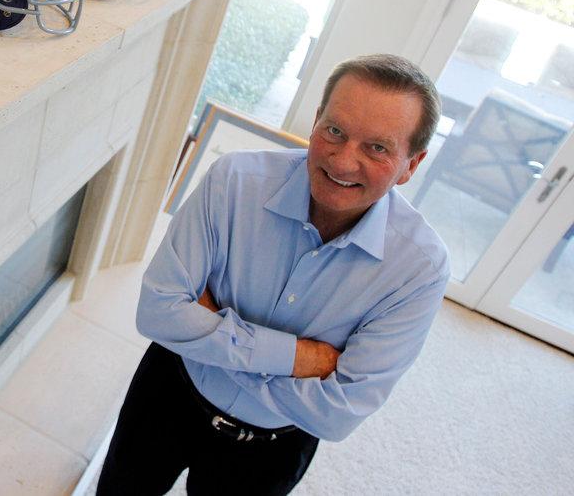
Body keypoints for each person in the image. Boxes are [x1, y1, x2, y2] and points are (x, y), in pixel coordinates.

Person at [97, 54, 449, 495]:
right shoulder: (233, 181)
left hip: (273, 448)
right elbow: (156, 312)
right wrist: (299, 360)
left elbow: (337, 413)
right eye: (335, 131)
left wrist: (208, 333)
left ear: (411, 165)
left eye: (377, 148)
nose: (342, 162)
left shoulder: (420, 269)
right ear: (317, 120)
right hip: (169, 391)